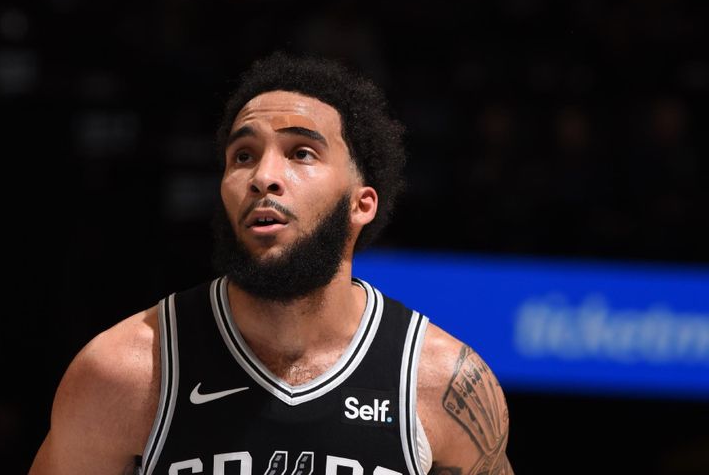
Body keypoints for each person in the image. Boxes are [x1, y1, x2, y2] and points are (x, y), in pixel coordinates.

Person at [28, 51, 514, 475]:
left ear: (361, 203)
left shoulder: (442, 382)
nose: (263, 177)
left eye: (301, 152)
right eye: (243, 156)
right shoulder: (124, 372)